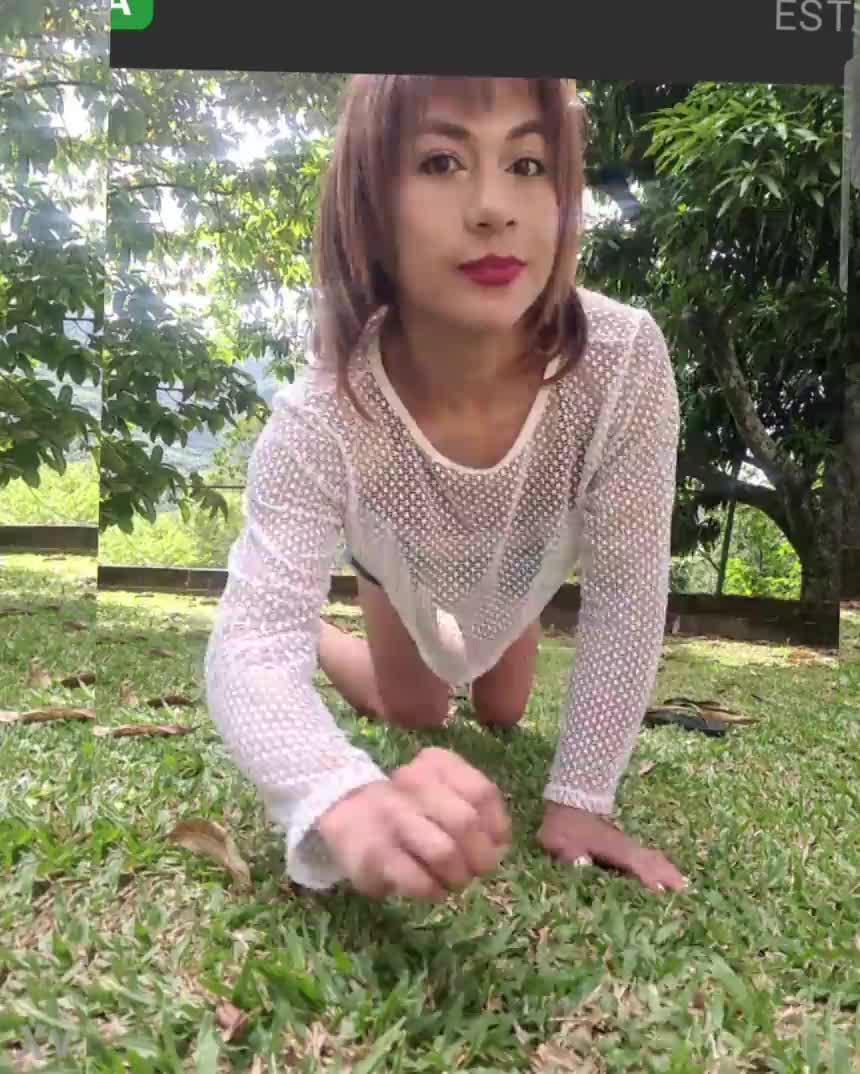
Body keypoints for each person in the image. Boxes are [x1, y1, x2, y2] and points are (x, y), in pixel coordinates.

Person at [204, 74, 688, 903]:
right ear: (369, 204)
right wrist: (338, 795)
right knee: (415, 710)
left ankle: (490, 639)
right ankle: (326, 631)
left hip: (518, 566)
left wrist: (581, 799)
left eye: (528, 164)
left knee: (503, 708)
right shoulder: (324, 412)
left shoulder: (621, 361)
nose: (494, 208)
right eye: (440, 161)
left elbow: (627, 593)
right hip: (400, 557)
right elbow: (249, 644)